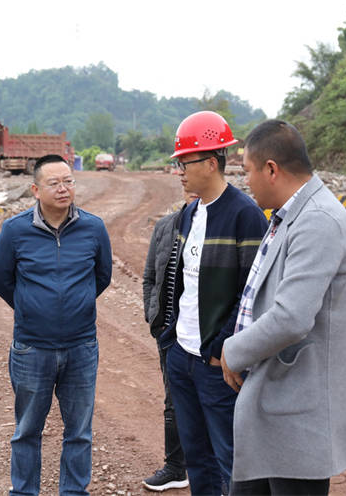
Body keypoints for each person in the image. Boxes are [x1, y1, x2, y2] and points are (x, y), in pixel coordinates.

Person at [221, 119, 346, 495]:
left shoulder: (318, 220)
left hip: (299, 411)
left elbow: (291, 317)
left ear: (271, 169)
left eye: (248, 171)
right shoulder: (290, 215)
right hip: (276, 399)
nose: (246, 182)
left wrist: (233, 351)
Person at [0, 154, 113, 496]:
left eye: (68, 181)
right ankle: (24, 492)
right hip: (32, 347)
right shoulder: (15, 230)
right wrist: (32, 308)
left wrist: (77, 304)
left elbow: (102, 276)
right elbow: (2, 281)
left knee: (79, 431)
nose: (63, 189)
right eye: (54, 183)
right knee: (27, 430)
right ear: (35, 190)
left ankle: (73, 491)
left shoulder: (93, 228)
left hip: (81, 346)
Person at [162, 111, 269, 496]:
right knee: (197, 458)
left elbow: (253, 292)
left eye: (184, 162)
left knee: (232, 459)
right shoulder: (189, 214)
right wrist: (171, 338)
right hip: (183, 356)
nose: (178, 171)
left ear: (211, 162)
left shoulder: (245, 215)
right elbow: (180, 283)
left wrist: (222, 348)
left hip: (217, 364)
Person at [141, 188, 198, 492]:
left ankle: (219, 472)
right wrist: (155, 318)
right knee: (173, 401)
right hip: (169, 333)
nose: (192, 187)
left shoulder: (221, 225)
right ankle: (176, 467)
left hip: (207, 334)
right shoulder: (166, 226)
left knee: (213, 402)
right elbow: (150, 277)